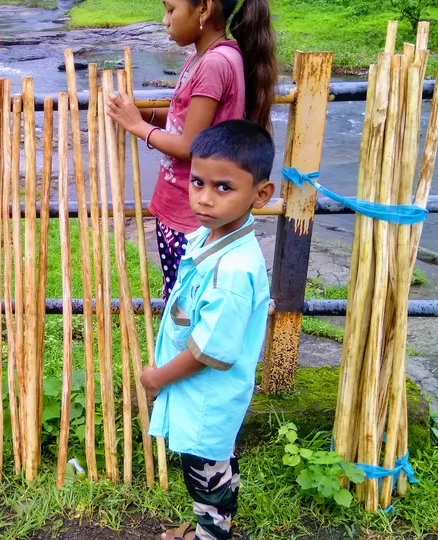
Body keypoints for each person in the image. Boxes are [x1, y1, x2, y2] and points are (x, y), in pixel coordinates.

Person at [140, 120, 275, 540]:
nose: (204, 198)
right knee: (216, 463)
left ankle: (210, 534)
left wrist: (156, 377)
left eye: (223, 188)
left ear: (261, 194)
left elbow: (207, 352)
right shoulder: (208, 237)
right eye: (198, 182)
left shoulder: (233, 272)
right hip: (204, 397)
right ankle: (210, 525)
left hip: (206, 399)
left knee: (205, 474)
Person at [106, 0, 276, 299]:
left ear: (204, 9)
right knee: (180, 300)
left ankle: (190, 348)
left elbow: (188, 145)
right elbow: (182, 120)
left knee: (185, 304)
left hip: (190, 217)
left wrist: (137, 126)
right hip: (183, 208)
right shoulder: (203, 57)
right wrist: (139, 113)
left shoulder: (214, 63)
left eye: (171, 9)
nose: (164, 20)